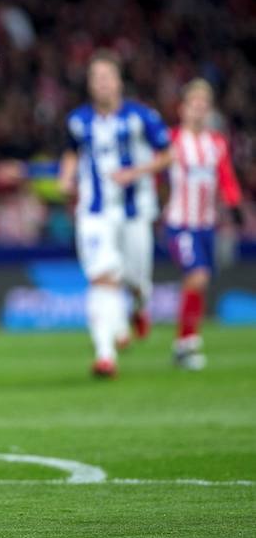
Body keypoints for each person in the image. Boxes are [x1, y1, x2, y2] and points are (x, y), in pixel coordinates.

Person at [59, 50, 172, 378]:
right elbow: (71, 153)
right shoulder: (78, 121)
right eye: (96, 79)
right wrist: (67, 178)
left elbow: (167, 154)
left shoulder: (142, 116)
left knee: (136, 281)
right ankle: (105, 354)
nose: (103, 84)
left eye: (108, 78)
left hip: (135, 212)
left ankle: (138, 306)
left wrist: (135, 172)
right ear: (91, 85)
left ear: (119, 82)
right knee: (102, 277)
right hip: (94, 213)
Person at [164, 78, 244, 370]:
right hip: (179, 223)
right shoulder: (171, 140)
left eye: (203, 104)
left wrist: (234, 205)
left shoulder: (217, 143)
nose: (198, 110)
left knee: (200, 282)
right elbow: (155, 174)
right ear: (182, 108)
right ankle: (188, 343)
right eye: (193, 104)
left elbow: (225, 177)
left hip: (207, 225)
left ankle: (184, 342)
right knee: (196, 276)